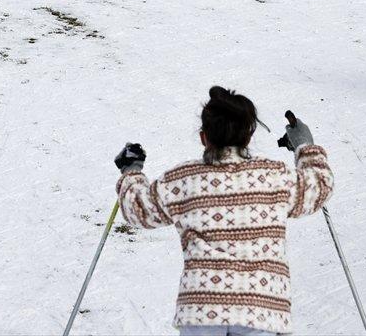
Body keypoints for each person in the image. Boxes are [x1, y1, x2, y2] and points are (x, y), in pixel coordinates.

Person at [115, 87, 333, 336]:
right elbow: (320, 185)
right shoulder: (275, 176)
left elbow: (137, 209)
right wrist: (304, 145)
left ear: (203, 137)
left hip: (201, 311)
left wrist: (131, 170)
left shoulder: (183, 179)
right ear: (248, 137)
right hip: (261, 309)